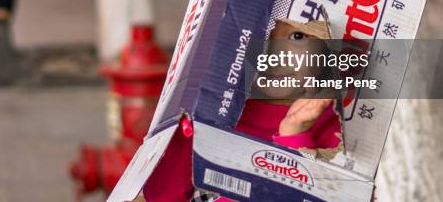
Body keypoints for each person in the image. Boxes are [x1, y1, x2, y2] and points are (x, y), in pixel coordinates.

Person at [142, 18, 344, 202]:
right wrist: (185, 127)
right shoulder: (215, 107)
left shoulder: (338, 131)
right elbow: (161, 196)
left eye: (297, 36)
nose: (274, 53)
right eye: (261, 33)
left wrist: (294, 138)